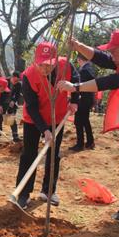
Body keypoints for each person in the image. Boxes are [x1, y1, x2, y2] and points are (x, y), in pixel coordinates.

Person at [60, 30, 119, 223]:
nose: (113, 57)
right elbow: (102, 59)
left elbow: (108, 82)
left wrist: (75, 87)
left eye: (115, 52)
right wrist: (78, 45)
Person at [15, 42, 79, 209]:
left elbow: (77, 80)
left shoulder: (66, 65)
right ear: (35, 61)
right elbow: (32, 107)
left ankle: (48, 191)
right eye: (40, 64)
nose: (44, 69)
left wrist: (74, 101)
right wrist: (44, 130)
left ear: (56, 61)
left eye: (48, 65)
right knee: (29, 154)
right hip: (33, 119)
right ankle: (23, 193)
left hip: (57, 117)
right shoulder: (28, 76)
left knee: (53, 155)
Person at [69, 55, 96, 151]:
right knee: (85, 121)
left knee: (79, 122)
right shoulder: (89, 68)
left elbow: (81, 86)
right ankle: (90, 142)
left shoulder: (85, 70)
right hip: (87, 99)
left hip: (83, 100)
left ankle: (80, 144)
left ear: (80, 60)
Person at [0, 71, 22, 143]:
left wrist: (13, 101)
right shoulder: (5, 82)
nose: (16, 82)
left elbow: (17, 95)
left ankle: (15, 136)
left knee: (11, 119)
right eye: (15, 80)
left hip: (11, 104)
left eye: (18, 80)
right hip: (2, 103)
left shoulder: (19, 84)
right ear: (12, 77)